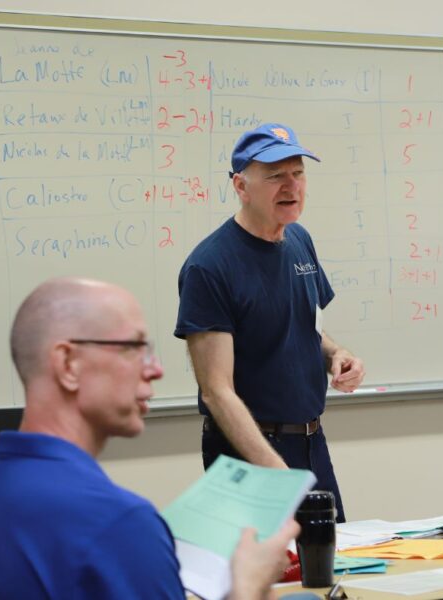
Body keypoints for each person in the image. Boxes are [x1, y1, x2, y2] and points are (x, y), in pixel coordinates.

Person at [0, 277, 307, 600]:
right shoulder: (117, 522)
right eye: (133, 348)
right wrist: (248, 589)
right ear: (68, 365)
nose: (155, 370)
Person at [174, 123, 365, 522]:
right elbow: (216, 392)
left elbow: (307, 325)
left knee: (332, 570)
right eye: (275, 176)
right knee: (263, 582)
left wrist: (336, 354)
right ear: (241, 186)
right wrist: (278, 475)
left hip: (311, 444)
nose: (290, 186)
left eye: (298, 174)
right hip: (249, 455)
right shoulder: (209, 267)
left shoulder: (299, 240)